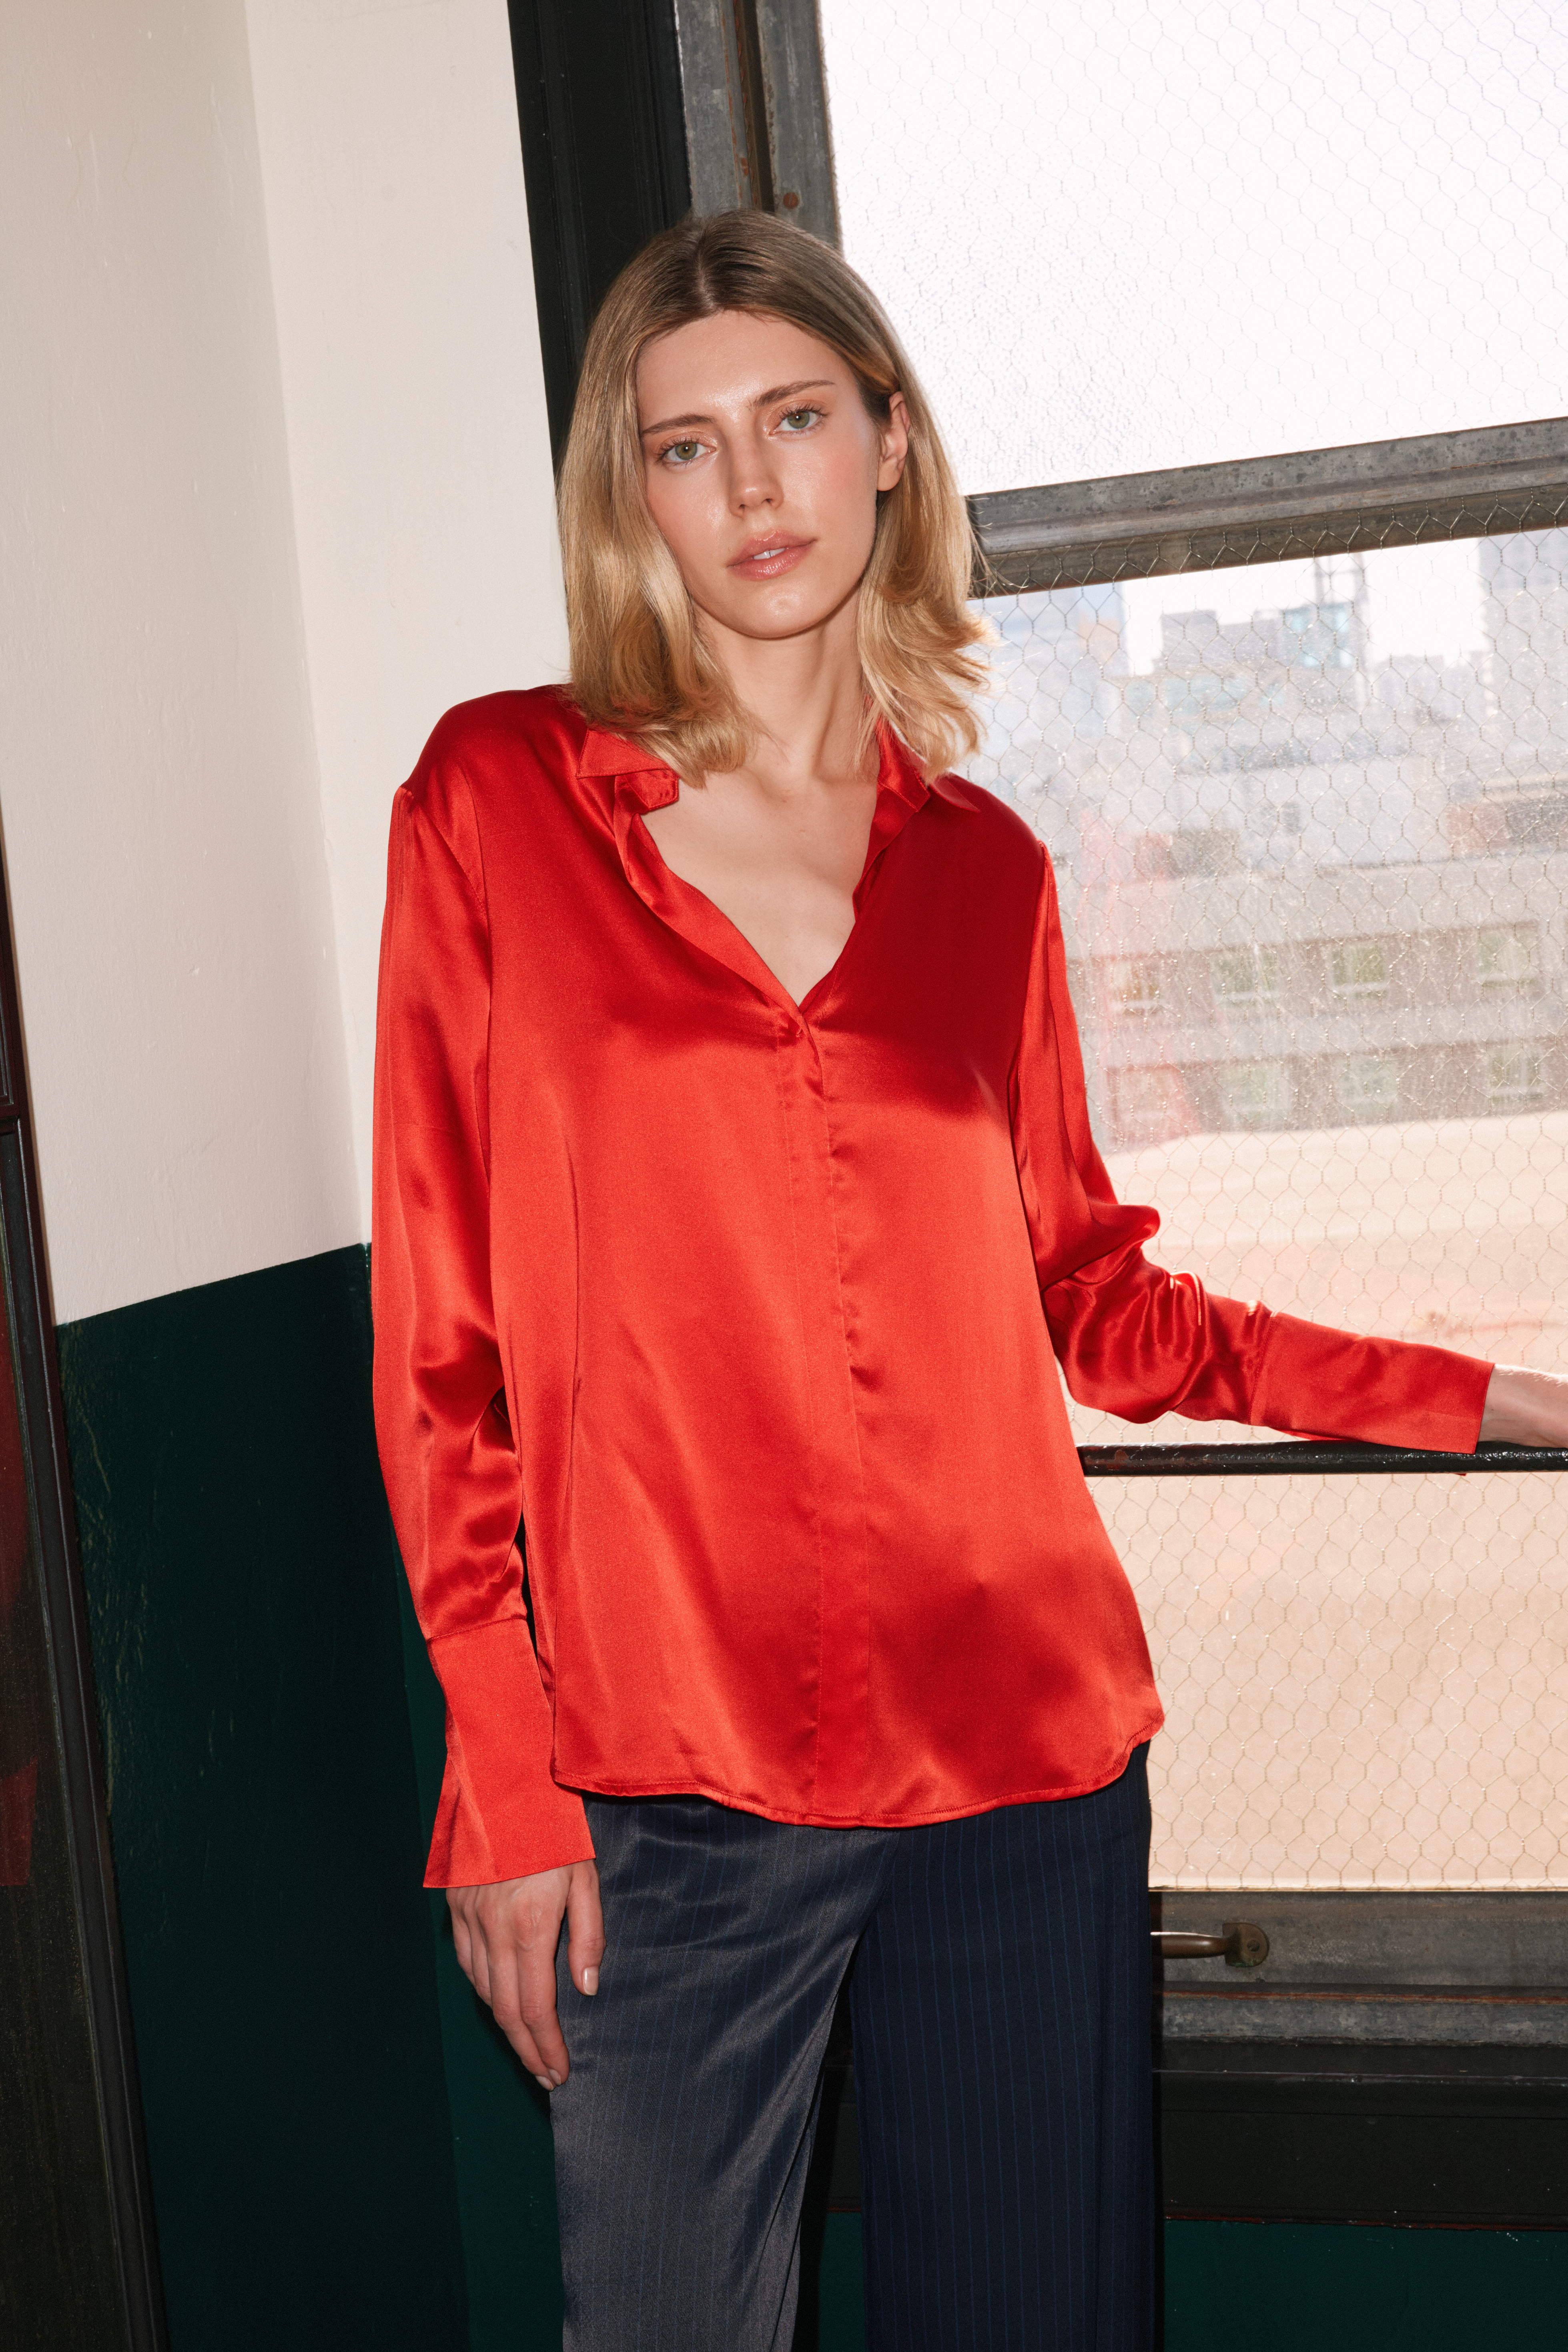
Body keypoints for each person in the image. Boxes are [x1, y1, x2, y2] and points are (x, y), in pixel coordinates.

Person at [371, 209, 1568, 2351]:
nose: (751, 491)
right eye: (684, 446)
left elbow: (1104, 1307)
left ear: (891, 445)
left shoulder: (993, 874)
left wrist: (1493, 1395)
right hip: (667, 1789)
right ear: (625, 494)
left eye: (800, 420)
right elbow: (440, 1345)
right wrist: (498, 1759)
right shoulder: (493, 805)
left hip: (1018, 1765)